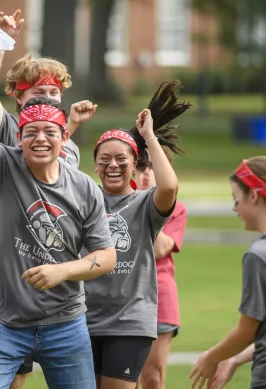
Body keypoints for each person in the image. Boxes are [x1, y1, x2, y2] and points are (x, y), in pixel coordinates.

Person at [0, 39, 116, 388]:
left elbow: (106, 256)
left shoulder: (84, 187)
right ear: (20, 136)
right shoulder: (2, 166)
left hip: (66, 323)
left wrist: (63, 271)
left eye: (49, 133)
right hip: (1, 323)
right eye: (30, 132)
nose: (40, 139)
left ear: (64, 138)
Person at [85, 81, 191, 389]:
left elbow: (169, 187)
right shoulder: (85, 199)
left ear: (135, 165)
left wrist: (148, 137)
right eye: (104, 160)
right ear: (95, 166)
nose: (113, 165)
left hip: (129, 321)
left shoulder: (144, 202)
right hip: (84, 318)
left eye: (122, 159)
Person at [0, 9, 97, 170]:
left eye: (53, 92)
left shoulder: (72, 149)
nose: (48, 98)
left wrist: (71, 124)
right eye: (38, 92)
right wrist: (0, 40)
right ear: (19, 96)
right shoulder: (8, 128)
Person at [190, 157, 266, 389]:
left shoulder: (258, 256)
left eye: (236, 200)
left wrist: (212, 356)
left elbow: (247, 330)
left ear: (253, 195)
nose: (235, 208)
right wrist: (234, 358)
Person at [134, 147, 188, 389]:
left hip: (159, 295)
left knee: (153, 376)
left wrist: (147, 201)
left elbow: (160, 248)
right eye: (141, 167)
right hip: (121, 296)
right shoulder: (114, 201)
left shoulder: (177, 208)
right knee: (122, 378)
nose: (147, 173)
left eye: (154, 167)